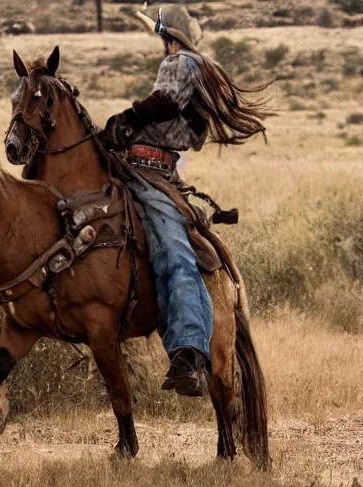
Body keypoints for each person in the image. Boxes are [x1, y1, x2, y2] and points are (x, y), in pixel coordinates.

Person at [100, 5, 270, 397]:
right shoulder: (201, 73)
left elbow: (164, 101)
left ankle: (190, 351)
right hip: (151, 169)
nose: (163, 49)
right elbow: (189, 129)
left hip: (149, 173)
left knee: (174, 255)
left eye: (164, 41)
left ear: (171, 39)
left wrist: (128, 118)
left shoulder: (180, 62)